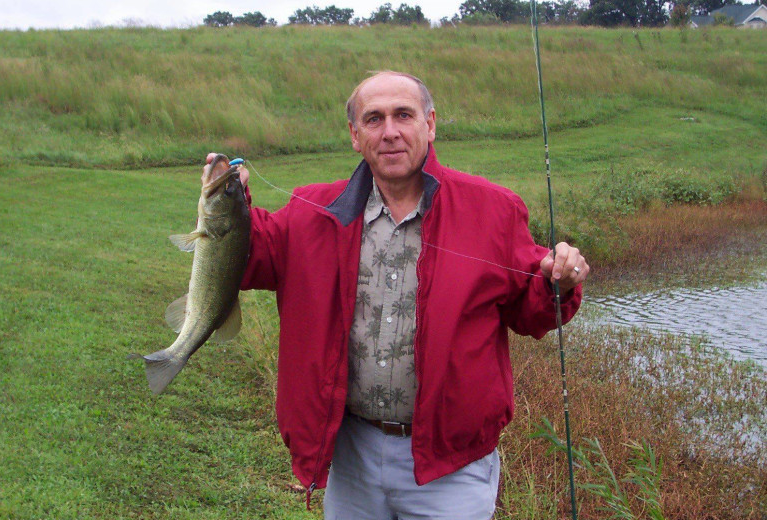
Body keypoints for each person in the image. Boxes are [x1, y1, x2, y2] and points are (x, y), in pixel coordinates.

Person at [205, 71, 588, 519]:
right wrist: (229, 198)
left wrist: (558, 283)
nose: (390, 131)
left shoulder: (494, 208)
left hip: (452, 465)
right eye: (374, 119)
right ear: (354, 135)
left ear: (430, 124)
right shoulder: (313, 212)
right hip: (351, 455)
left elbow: (532, 311)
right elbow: (249, 254)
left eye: (403, 115)